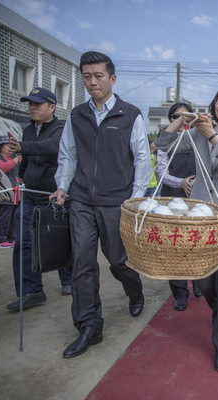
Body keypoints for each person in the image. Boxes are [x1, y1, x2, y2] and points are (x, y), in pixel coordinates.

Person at [51, 51, 151, 359]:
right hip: (81, 199)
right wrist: (63, 186)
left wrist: (133, 201)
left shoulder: (129, 114)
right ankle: (89, 327)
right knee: (81, 263)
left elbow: (142, 160)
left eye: (98, 76)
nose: (92, 82)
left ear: (112, 79)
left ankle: (134, 290)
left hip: (116, 201)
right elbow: (68, 155)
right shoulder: (77, 116)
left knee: (119, 259)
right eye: (87, 77)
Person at [155, 82, 218, 372]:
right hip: (202, 218)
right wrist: (181, 119)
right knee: (203, 280)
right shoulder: (197, 134)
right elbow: (162, 145)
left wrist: (212, 136)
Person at [5, 88, 73, 313]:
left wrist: (23, 147)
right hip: (30, 195)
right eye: (30, 103)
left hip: (54, 197)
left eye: (37, 104)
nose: (32, 107)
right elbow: (27, 158)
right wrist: (21, 174)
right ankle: (31, 291)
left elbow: (51, 148)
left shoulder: (62, 129)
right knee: (24, 241)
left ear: (52, 107)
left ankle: (69, 280)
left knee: (59, 240)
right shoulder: (27, 129)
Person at [155, 102, 202, 310]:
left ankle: (199, 281)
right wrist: (180, 182)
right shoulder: (164, 141)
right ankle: (180, 292)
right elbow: (160, 172)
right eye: (176, 116)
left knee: (196, 244)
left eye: (185, 116)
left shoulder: (199, 138)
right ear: (170, 119)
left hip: (198, 200)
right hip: (171, 199)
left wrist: (196, 184)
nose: (180, 119)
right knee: (174, 248)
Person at [0, 135, 20, 249]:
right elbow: (4, 168)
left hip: (16, 195)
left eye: (12, 145)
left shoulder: (15, 157)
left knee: (14, 217)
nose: (10, 148)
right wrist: (16, 160)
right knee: (4, 218)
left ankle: (11, 238)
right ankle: (0, 240)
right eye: (7, 145)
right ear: (0, 147)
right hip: (4, 195)